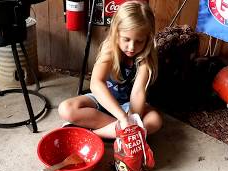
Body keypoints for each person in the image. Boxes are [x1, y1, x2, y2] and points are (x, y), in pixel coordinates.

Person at [58, 1, 162, 139]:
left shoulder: (144, 59)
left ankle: (94, 134)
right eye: (126, 39)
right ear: (116, 32)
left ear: (148, 39)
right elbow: (96, 83)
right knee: (66, 108)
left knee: (155, 121)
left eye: (139, 41)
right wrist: (122, 119)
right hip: (104, 101)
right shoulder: (109, 50)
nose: (131, 47)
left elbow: (137, 93)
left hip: (129, 106)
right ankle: (124, 132)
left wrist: (130, 118)